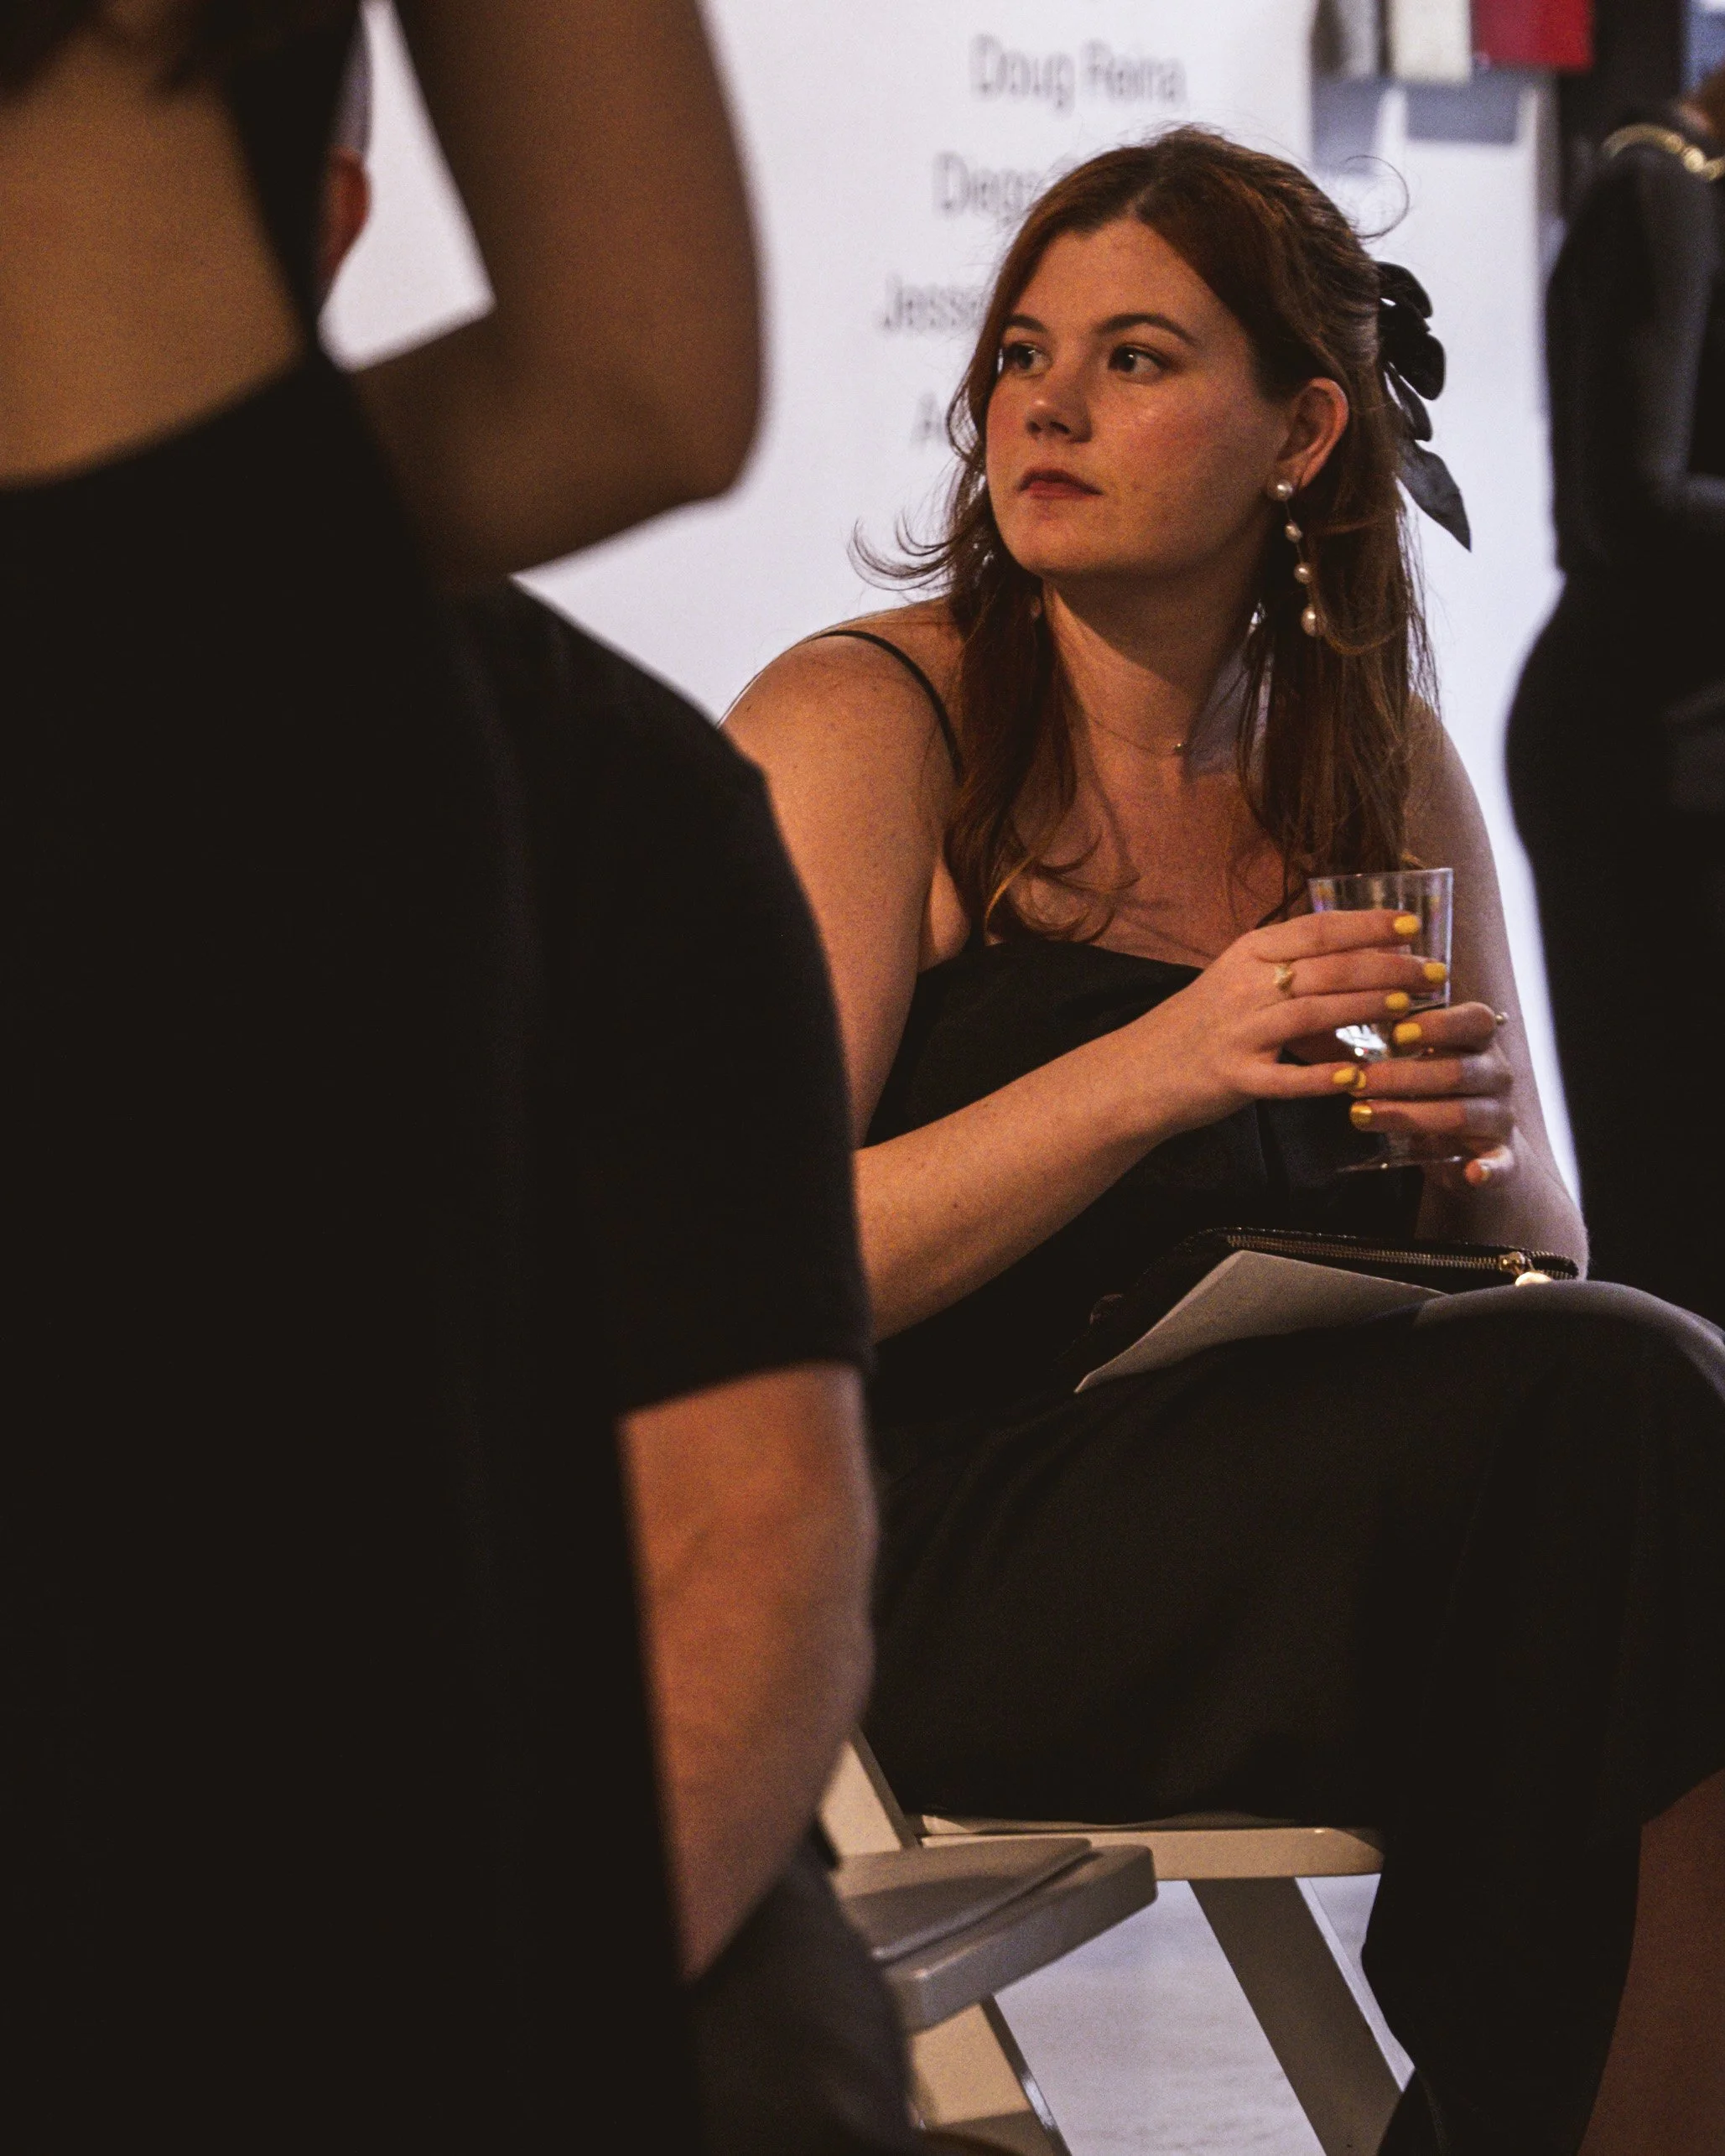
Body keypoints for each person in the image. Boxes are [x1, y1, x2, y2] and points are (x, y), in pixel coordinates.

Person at [729, 131, 1725, 2156]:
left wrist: (1458, 1149)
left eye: (1133, 357)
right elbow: (736, 1277)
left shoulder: (1365, 754)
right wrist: (1166, 1063)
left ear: (1302, 431)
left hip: (1307, 1522)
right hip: (934, 1554)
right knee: (1637, 1418)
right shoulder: (866, 728)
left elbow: (1537, 1241)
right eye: (1023, 350)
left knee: (1644, 1401)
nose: (1044, 402)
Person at [0, 2, 769, 2142]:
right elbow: (641, 365)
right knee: (264, 1807)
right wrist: (188, 559)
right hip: (190, 664)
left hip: (203, 759)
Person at [1507, 60, 1725, 1324]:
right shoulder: (1657, 192)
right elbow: (1629, 500)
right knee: (1673, 1180)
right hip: (1639, 758)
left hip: (1685, 740)